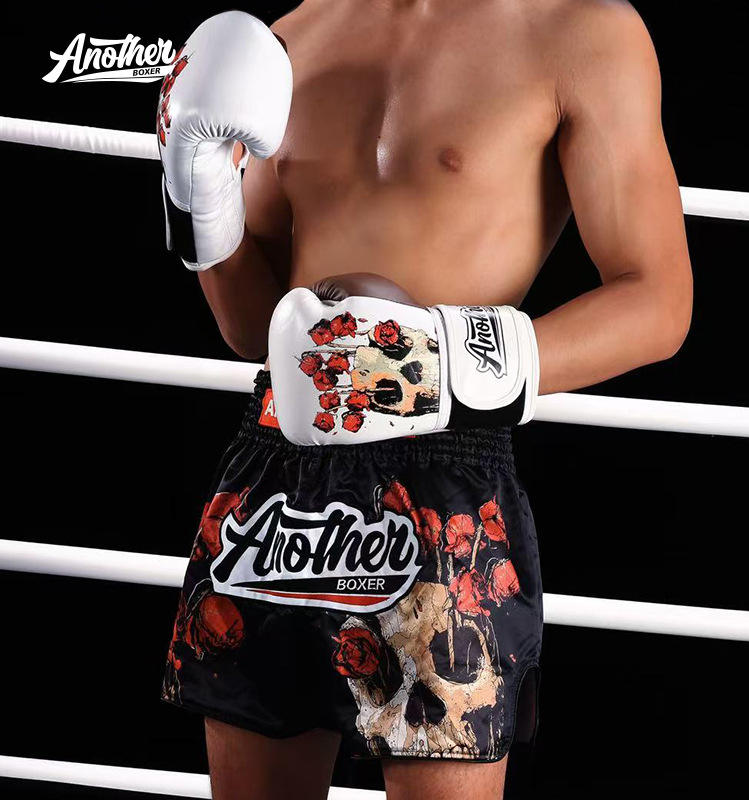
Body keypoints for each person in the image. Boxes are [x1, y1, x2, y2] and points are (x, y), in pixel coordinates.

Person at [158, 3, 693, 799]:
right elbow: (253, 328)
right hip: (279, 468)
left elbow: (659, 300)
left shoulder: (581, 32)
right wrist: (196, 191)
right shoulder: (294, 37)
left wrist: (432, 368)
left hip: (443, 474)